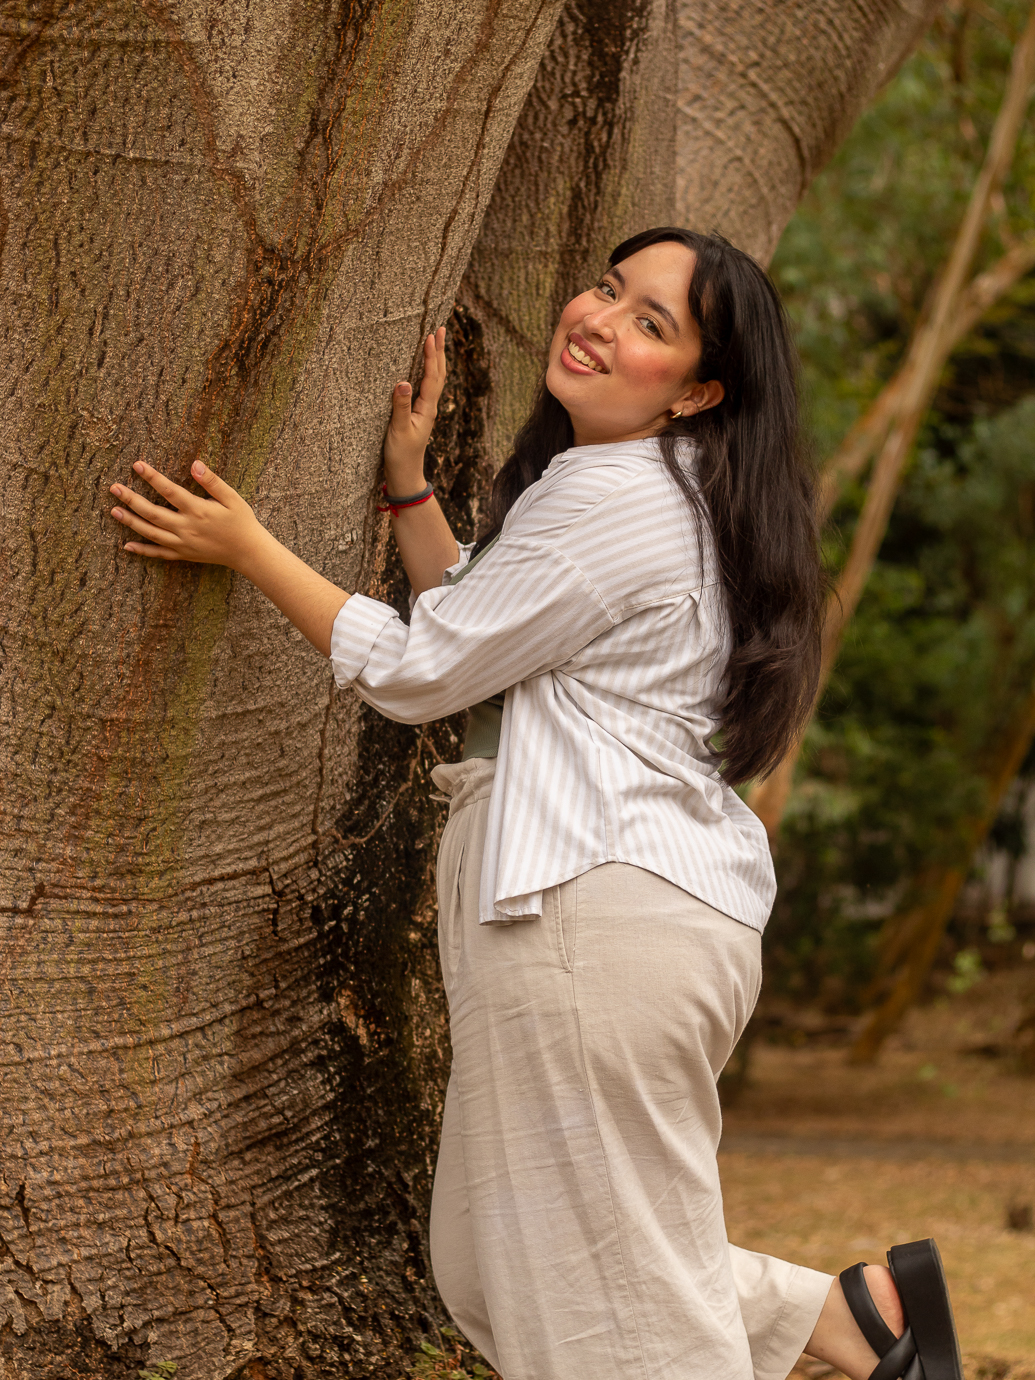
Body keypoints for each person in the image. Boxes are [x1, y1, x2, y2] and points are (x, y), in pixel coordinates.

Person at [109, 227, 962, 1380]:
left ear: (699, 391)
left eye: (651, 323)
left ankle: (845, 1322)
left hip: (591, 921)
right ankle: (848, 1322)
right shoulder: (665, 491)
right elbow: (489, 636)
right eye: (610, 288)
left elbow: (422, 672)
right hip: (636, 916)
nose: (600, 318)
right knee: (492, 1262)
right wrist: (410, 492)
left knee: (603, 1322)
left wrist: (249, 546)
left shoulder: (621, 496)